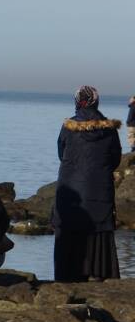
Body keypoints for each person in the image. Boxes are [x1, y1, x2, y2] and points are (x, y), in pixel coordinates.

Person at [52, 86, 122, 282]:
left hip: (70, 187)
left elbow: (61, 153)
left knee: (69, 228)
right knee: (99, 229)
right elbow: (115, 158)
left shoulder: (68, 127)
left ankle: (68, 274)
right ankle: (99, 272)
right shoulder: (109, 129)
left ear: (77, 102)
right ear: (96, 102)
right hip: (100, 189)